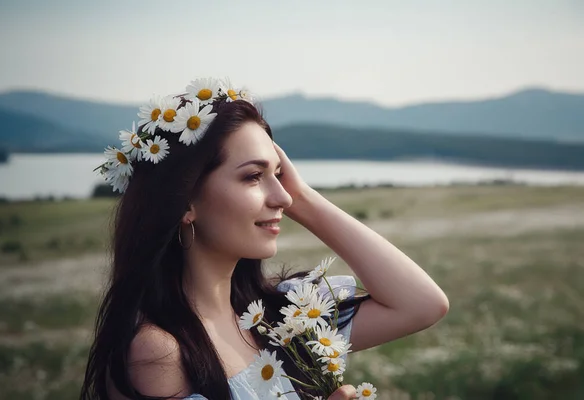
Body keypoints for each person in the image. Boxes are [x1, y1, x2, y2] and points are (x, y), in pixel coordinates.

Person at [80, 78, 449, 400]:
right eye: (253, 176)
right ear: (186, 199)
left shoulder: (284, 319)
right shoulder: (160, 351)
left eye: (280, 174)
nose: (283, 197)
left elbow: (422, 305)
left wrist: (304, 198)